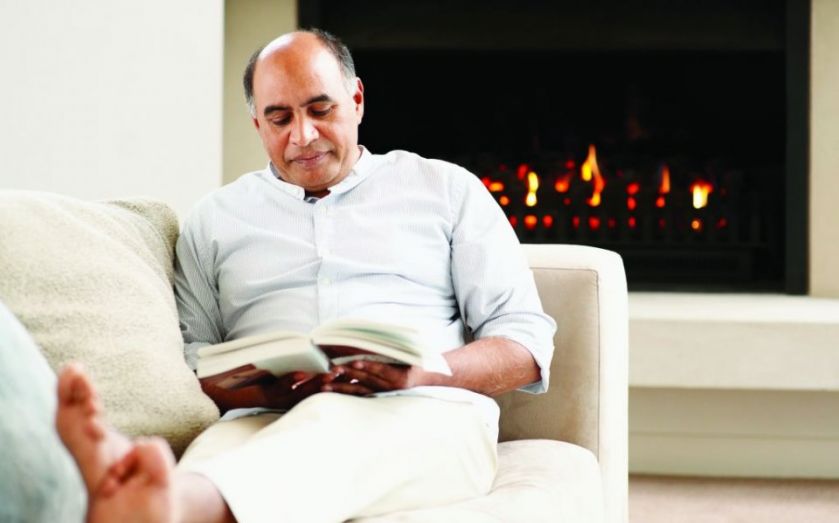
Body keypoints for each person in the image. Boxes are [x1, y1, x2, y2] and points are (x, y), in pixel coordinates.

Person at [56, 29, 555, 523]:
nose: (303, 136)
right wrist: (259, 392)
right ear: (258, 124)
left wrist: (423, 371)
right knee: (213, 461)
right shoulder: (215, 219)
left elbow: (525, 345)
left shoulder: (445, 189)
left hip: (425, 413)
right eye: (280, 119)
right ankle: (148, 500)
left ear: (356, 100)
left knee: (270, 456)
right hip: (261, 417)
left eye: (320, 110)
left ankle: (163, 500)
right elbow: (192, 359)